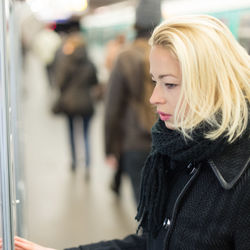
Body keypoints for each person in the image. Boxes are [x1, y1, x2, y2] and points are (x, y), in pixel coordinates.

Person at [10, 14, 250, 250]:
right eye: (155, 81)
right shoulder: (174, 149)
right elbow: (153, 241)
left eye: (170, 84)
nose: (154, 98)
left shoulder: (242, 178)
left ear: (210, 83)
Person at [105, 0, 160, 202]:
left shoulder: (125, 57)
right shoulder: (166, 54)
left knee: (141, 202)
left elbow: (112, 108)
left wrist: (110, 149)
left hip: (133, 141)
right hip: (163, 138)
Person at [52, 32, 98, 176]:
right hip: (86, 103)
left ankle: (74, 162)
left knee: (72, 133)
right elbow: (94, 82)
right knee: (85, 135)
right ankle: (88, 165)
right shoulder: (90, 63)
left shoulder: (66, 62)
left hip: (70, 103)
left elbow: (60, 84)